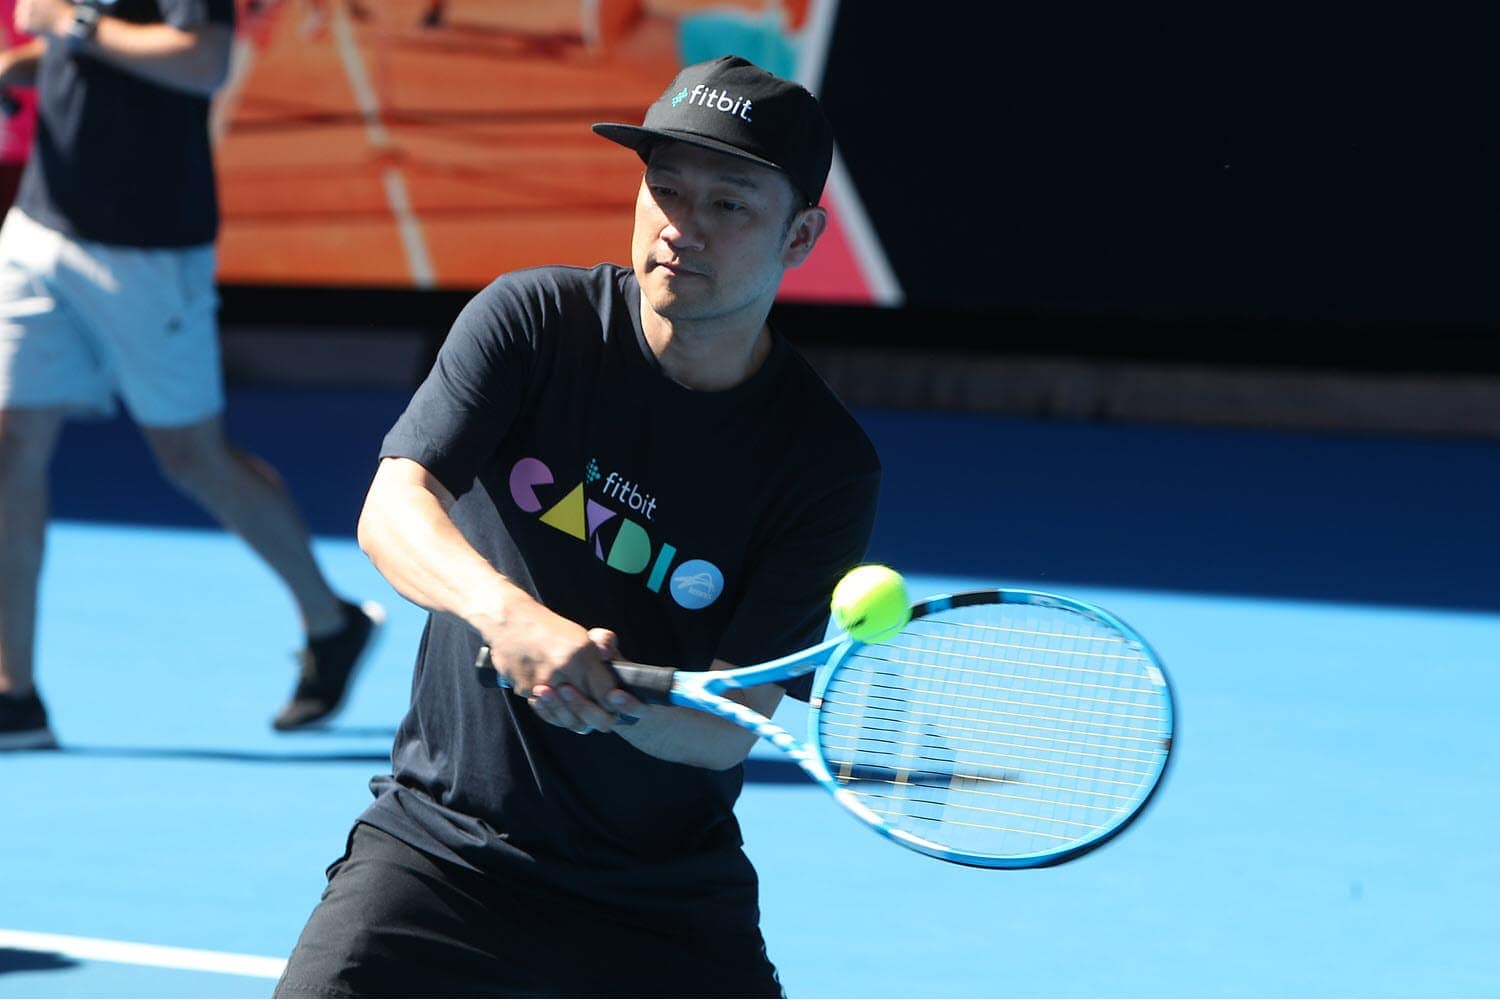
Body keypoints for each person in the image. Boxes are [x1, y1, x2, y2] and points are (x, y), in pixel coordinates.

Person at [274, 54, 881, 998]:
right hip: (441, 852)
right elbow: (394, 509)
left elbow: (726, 731)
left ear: (800, 236)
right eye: (665, 189)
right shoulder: (533, 322)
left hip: (661, 899)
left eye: (730, 204)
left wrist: (602, 693)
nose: (682, 226)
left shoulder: (824, 465)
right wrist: (511, 618)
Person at [0, 0, 383, 750]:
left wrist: (71, 28)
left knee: (191, 456)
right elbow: (101, 52)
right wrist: (32, 63)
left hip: (148, 252)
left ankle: (330, 621)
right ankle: (15, 693)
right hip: (40, 226)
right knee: (10, 446)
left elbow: (200, 61)